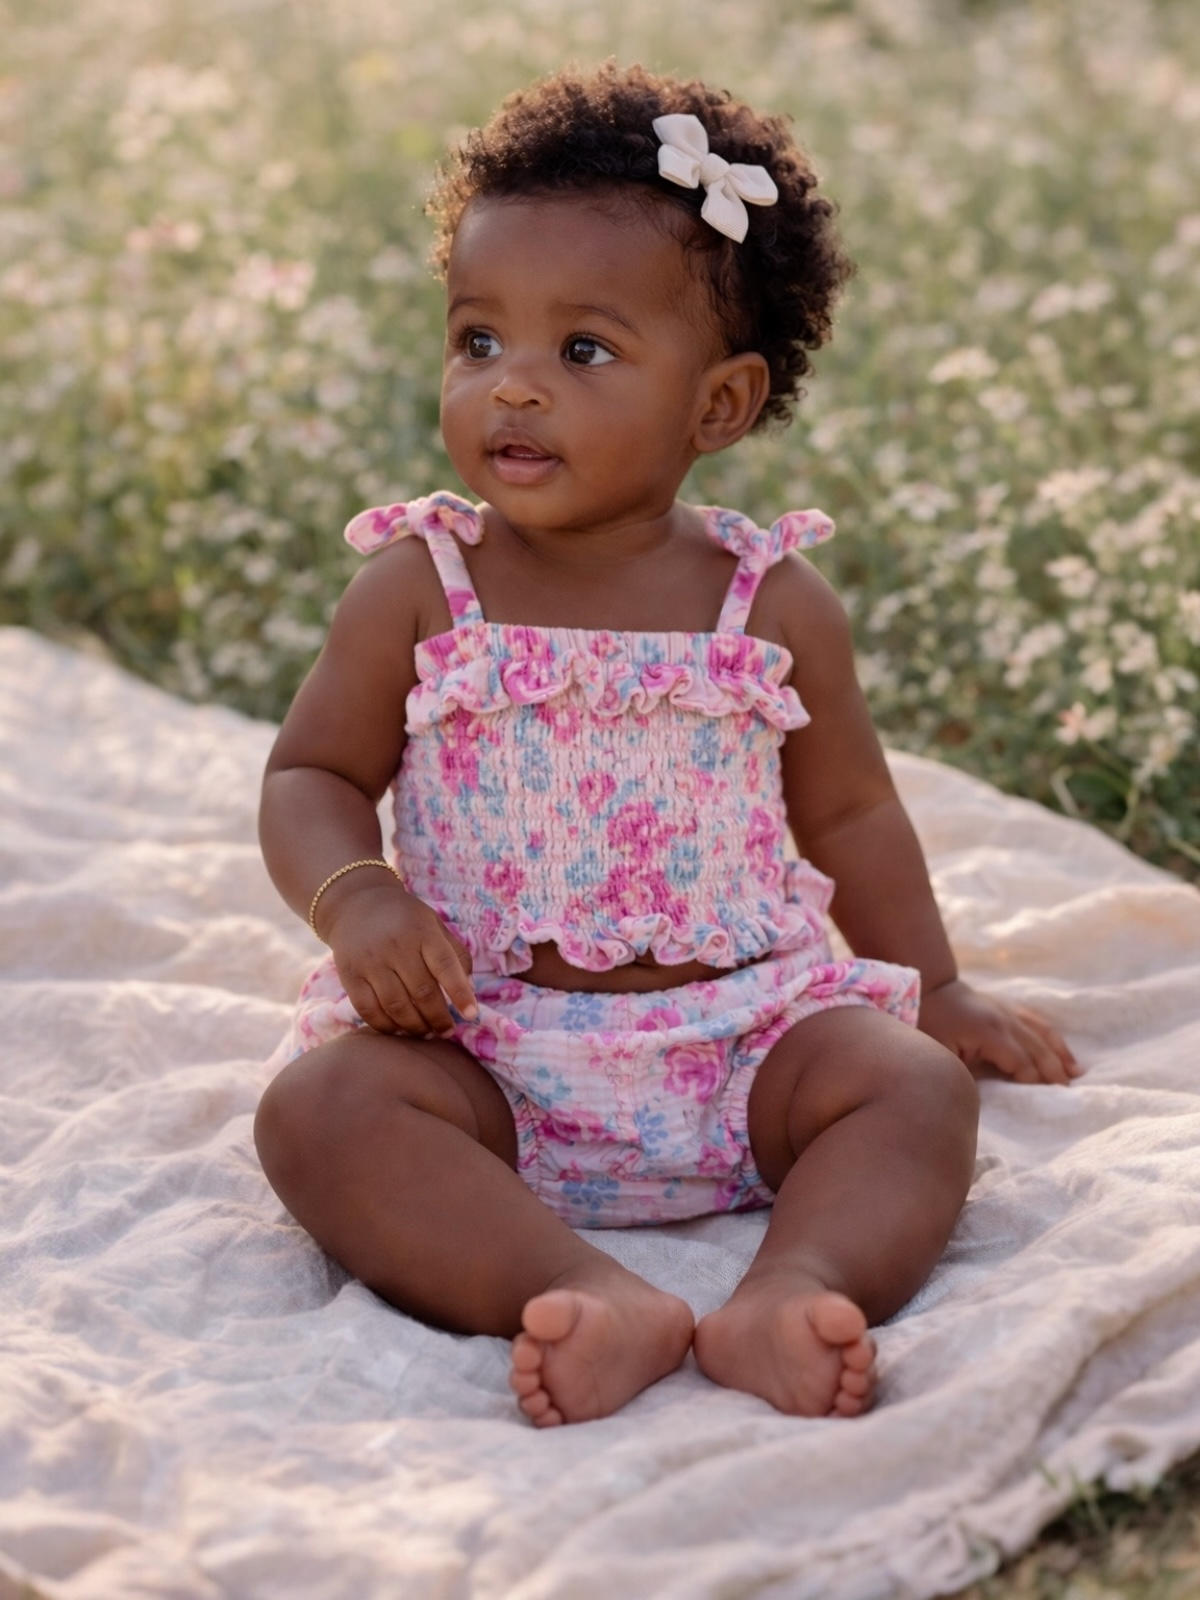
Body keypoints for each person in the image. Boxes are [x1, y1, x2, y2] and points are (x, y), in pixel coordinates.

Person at [254, 63, 1080, 1429]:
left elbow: (858, 816)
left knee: (914, 1093)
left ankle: (788, 1284)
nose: (511, 390)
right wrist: (359, 897)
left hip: (744, 1046)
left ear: (718, 406)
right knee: (319, 1118)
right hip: (483, 1055)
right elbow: (311, 777)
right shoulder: (421, 583)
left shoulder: (771, 604)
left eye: (582, 353)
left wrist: (934, 986)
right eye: (477, 341)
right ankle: (575, 1286)